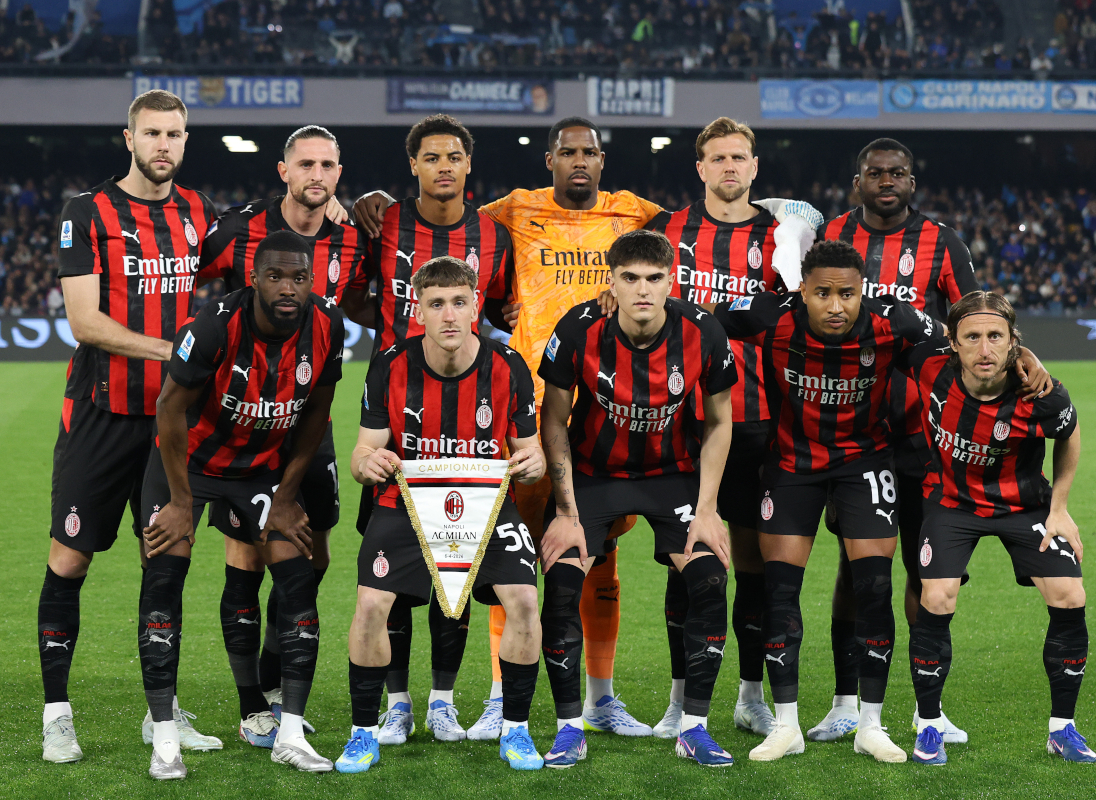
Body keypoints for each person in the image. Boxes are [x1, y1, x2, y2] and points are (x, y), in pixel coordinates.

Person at [354, 116, 821, 739]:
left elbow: (712, 208)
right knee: (504, 555)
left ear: (603, 161)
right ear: (549, 158)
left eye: (591, 152)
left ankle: (599, 697)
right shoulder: (511, 211)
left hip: (608, 411)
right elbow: (447, 207)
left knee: (598, 561)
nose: (580, 161)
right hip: (522, 410)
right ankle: (498, 693)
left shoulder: (636, 214)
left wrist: (766, 201)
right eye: (568, 151)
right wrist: (376, 202)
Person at [816, 138, 1047, 744]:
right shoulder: (834, 233)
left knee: (924, 571)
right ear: (857, 179)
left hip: (925, 433)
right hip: (850, 426)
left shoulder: (942, 241)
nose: (886, 181)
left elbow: (975, 313)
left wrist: (1022, 353)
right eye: (875, 172)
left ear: (912, 182)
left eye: (897, 173)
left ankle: (927, 709)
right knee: (856, 565)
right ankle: (846, 701)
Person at [712, 239, 947, 764]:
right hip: (792, 465)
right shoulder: (769, 315)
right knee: (779, 593)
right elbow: (696, 318)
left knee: (875, 589)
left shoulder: (896, 321)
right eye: (823, 293)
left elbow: (958, 343)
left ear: (863, 290)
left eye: (847, 293)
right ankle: (787, 725)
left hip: (865, 464)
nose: (836, 306)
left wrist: (1020, 355)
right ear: (802, 290)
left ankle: (871, 724)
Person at [38, 89, 221, 765]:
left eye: (175, 134)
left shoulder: (200, 212)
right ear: (129, 138)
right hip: (100, 415)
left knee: (167, 564)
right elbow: (83, 322)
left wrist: (345, 205)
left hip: (169, 425)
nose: (164, 145)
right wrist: (173, 350)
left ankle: (161, 712)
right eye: (153, 134)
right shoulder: (86, 213)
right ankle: (58, 713)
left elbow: (263, 245)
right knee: (70, 559)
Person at [138, 230, 345, 778]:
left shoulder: (328, 325)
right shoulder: (213, 325)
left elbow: (316, 416)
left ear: (312, 281)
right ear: (253, 277)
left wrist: (283, 497)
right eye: (275, 276)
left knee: (298, 577)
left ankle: (291, 734)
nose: (287, 288)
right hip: (189, 465)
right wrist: (181, 501)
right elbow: (168, 410)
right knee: (163, 580)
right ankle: (164, 740)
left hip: (259, 467)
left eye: (299, 278)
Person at [645, 116, 820, 739]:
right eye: (716, 158)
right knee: (683, 561)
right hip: (681, 420)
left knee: (750, 563)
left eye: (738, 157)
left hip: (759, 420)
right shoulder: (667, 232)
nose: (728, 167)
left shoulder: (782, 233)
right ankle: (679, 700)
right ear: (700, 168)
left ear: (753, 167)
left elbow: (801, 304)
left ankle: (749, 696)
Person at [342, 115, 514, 746]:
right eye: (431, 156)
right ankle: (397, 702)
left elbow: (501, 311)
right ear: (412, 165)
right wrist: (394, 328)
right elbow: (356, 294)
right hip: (393, 407)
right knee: (389, 569)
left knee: (456, 562)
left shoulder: (493, 235)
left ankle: (442, 700)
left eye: (454, 156)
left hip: (467, 413)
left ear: (469, 166)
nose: (443, 165)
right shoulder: (381, 224)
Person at [537, 230, 738, 768]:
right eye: (630, 279)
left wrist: (708, 508)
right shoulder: (578, 329)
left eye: (653, 279)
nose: (642, 290)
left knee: (710, 578)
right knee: (560, 580)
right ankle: (568, 727)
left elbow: (720, 422)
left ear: (671, 281)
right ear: (612, 282)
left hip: (671, 474)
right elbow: (553, 418)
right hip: (594, 475)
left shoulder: (702, 330)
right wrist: (565, 511)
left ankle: (693, 726)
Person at [338, 256, 546, 773]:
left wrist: (532, 461)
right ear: (419, 310)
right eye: (437, 304)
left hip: (487, 504)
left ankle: (516, 731)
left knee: (523, 600)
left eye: (459, 302)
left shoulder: (508, 366)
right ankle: (363, 732)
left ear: (476, 305)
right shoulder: (390, 363)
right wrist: (370, 462)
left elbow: (532, 452)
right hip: (405, 504)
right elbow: (363, 454)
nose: (449, 315)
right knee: (370, 605)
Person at [195, 124, 362, 749]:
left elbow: (365, 303)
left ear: (339, 174)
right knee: (245, 556)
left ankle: (271, 684)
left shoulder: (352, 238)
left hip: (307, 422)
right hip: (243, 423)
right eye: (306, 164)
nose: (317, 175)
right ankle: (251, 704)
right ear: (283, 171)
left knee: (310, 557)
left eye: (328, 165)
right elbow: (185, 281)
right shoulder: (238, 232)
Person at [903, 292, 1093, 765]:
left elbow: (1068, 436)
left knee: (1070, 593)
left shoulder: (1040, 392)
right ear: (952, 341)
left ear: (1013, 342)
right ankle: (928, 725)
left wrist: (1061, 507)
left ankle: (1062, 729)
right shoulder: (928, 363)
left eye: (996, 337)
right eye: (972, 337)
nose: (985, 349)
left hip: (1024, 506)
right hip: (951, 502)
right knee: (937, 595)